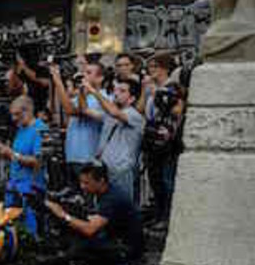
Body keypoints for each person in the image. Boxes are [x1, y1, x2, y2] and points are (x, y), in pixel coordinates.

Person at [45, 162, 143, 265]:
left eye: (86, 183)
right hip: (114, 239)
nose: (82, 186)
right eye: (81, 182)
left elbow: (89, 229)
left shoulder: (112, 198)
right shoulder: (101, 194)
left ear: (101, 181)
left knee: (82, 245)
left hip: (126, 248)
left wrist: (63, 215)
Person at [0, 96, 46, 234]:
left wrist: (12, 154)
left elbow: (38, 161)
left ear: (28, 110)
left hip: (30, 189)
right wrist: (4, 151)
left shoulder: (40, 129)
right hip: (14, 187)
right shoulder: (21, 129)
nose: (14, 119)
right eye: (12, 114)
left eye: (17, 114)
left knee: (29, 231)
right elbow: (16, 155)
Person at [87, 77, 144, 205]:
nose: (116, 93)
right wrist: (81, 91)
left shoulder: (134, 115)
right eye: (115, 90)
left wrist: (94, 91)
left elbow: (114, 112)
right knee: (102, 209)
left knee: (121, 209)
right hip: (103, 169)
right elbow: (83, 110)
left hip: (120, 171)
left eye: (122, 91)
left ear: (132, 99)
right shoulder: (109, 115)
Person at [143, 52, 185, 224]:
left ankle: (168, 217)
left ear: (165, 69)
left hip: (167, 142)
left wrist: (159, 94)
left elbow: (177, 111)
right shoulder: (150, 88)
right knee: (155, 180)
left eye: (155, 67)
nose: (150, 70)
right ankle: (158, 214)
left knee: (166, 180)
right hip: (151, 139)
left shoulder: (172, 87)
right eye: (150, 67)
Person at [51, 62, 105, 186]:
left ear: (100, 78)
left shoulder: (103, 98)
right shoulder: (79, 97)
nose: (83, 76)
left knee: (89, 201)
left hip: (88, 158)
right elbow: (65, 117)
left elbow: (72, 111)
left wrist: (58, 81)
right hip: (72, 156)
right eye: (84, 72)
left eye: (89, 73)